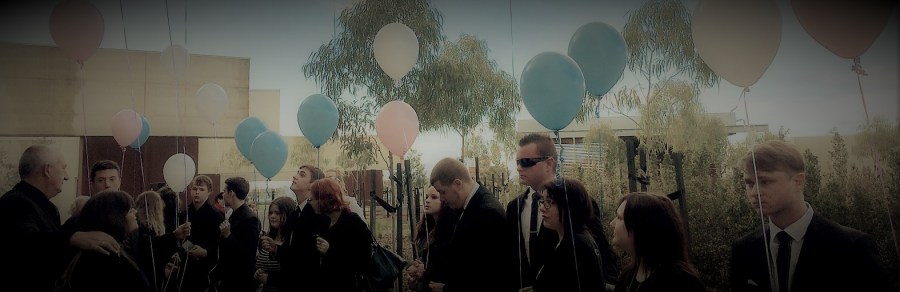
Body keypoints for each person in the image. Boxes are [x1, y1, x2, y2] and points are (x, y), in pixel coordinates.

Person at [729, 140, 889, 292]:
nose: (754, 192)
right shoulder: (743, 250)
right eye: (749, 183)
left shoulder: (852, 247)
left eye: (765, 181)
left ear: (798, 181)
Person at [0, 145, 120, 292]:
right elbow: (25, 244)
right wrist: (74, 237)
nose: (67, 176)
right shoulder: (15, 202)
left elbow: (52, 240)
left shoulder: (43, 206)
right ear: (47, 170)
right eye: (63, 168)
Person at [508, 133, 619, 290]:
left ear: (549, 163)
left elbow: (601, 252)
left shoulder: (575, 201)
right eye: (518, 162)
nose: (519, 168)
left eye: (526, 162)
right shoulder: (514, 207)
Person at [428, 157, 506, 292]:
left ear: (458, 184)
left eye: (442, 192)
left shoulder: (488, 213)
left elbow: (489, 274)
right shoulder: (460, 206)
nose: (442, 198)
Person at [610, 192, 703, 292]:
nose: (612, 224)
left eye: (619, 217)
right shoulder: (627, 277)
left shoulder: (682, 283)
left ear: (641, 227)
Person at [528, 178, 606, 292]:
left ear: (569, 206)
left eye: (549, 202)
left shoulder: (576, 245)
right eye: (542, 201)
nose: (542, 208)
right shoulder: (572, 239)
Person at [65, 190, 151, 292]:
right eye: (129, 210)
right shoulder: (109, 260)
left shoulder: (99, 251)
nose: (135, 212)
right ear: (114, 217)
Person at [260, 165, 325, 292]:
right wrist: (276, 249)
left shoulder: (317, 214)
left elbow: (306, 260)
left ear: (312, 185)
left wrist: (272, 278)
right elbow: (292, 255)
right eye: (297, 173)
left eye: (302, 174)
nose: (295, 176)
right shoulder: (295, 214)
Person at [309, 178, 372, 291]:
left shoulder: (353, 222)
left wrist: (330, 251)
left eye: (312, 199)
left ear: (323, 199)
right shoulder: (323, 221)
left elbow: (363, 260)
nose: (310, 203)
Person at [134, 190, 190, 292]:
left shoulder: (178, 217)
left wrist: (185, 249)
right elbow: (180, 240)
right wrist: (187, 249)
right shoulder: (175, 218)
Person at [178, 175, 224, 292]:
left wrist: (206, 253)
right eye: (194, 189)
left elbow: (220, 245)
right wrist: (190, 248)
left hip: (206, 268)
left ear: (209, 192)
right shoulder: (184, 214)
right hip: (186, 265)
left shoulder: (217, 216)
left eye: (201, 189)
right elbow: (180, 239)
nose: (197, 192)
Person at [215, 176, 262, 292]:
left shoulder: (250, 218)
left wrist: (228, 235)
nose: (223, 195)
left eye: (225, 191)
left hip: (240, 282)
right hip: (229, 278)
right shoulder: (235, 213)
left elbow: (248, 254)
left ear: (231, 193)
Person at [405, 186, 455, 291]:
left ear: (445, 201)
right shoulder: (426, 230)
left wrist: (425, 271)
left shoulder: (450, 233)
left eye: (434, 197)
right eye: (427, 197)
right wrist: (415, 276)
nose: (427, 201)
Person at [255, 196, 297, 292]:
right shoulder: (267, 238)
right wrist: (257, 273)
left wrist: (271, 279)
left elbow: (295, 273)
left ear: (288, 214)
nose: (272, 216)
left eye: (277, 213)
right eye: (270, 213)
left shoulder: (292, 241)